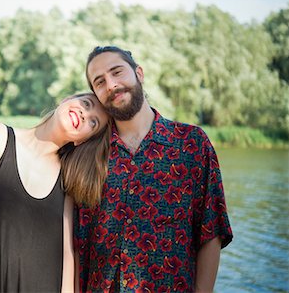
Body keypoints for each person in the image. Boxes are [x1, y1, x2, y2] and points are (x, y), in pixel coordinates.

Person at [74, 46, 233, 292]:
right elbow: (76, 242)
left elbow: (211, 231)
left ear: (139, 73)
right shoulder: (88, 155)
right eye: (100, 82)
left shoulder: (191, 144)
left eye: (117, 72)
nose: (112, 85)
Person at [0, 92, 110, 293]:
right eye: (85, 103)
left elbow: (66, 252)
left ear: (83, 140)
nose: (85, 114)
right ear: (66, 99)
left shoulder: (67, 181)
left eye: (93, 123)